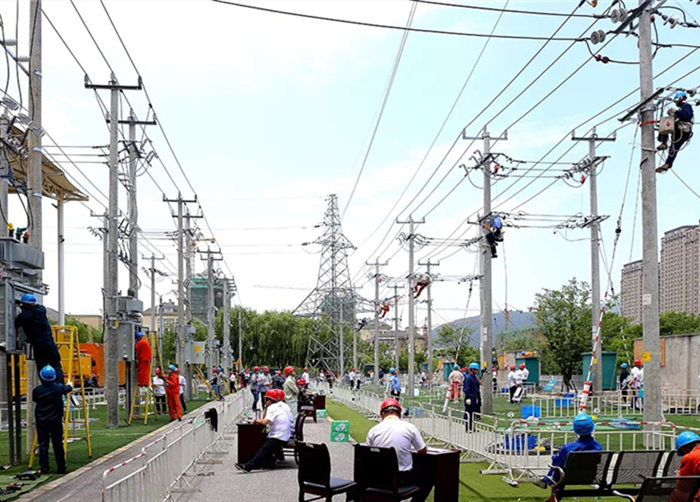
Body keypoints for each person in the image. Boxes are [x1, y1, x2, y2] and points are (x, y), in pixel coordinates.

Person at [366, 398, 433, 502]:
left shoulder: (373, 431)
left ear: (382, 414)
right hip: (402, 478)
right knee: (429, 478)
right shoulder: (410, 428)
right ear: (399, 414)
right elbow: (422, 451)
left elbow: (369, 453)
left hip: (379, 478)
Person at [535, 413, 602, 492]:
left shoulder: (569, 447)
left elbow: (557, 462)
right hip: (590, 477)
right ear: (592, 428)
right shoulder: (598, 447)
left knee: (557, 463)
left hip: (567, 477)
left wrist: (555, 457)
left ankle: (547, 480)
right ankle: (546, 480)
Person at [235, 389, 293, 473]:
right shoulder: (281, 406)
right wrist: (266, 408)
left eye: (266, 399)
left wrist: (255, 420)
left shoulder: (273, 408)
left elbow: (264, 421)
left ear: (270, 400)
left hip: (279, 436)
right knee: (263, 440)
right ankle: (268, 462)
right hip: (284, 433)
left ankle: (248, 467)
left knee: (264, 448)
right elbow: (265, 418)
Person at [15, 294, 64, 383]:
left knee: (42, 367)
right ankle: (60, 386)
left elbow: (17, 322)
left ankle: (46, 386)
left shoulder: (25, 316)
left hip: (39, 345)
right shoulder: (41, 309)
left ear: (26, 304)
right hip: (50, 343)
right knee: (56, 365)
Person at [33, 365, 72, 474]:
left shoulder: (37, 390)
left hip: (42, 420)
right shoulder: (59, 388)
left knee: (43, 445)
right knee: (58, 444)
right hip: (55, 420)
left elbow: (35, 400)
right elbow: (68, 388)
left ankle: (44, 468)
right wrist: (70, 384)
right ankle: (61, 467)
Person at [657, 91, 694, 173]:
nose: (676, 102)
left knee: (665, 123)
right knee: (673, 148)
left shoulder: (686, 106)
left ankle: (664, 143)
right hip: (680, 131)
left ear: (681, 98)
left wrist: (676, 112)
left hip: (683, 129)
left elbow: (686, 116)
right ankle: (667, 163)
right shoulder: (682, 107)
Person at [669, 431, 700, 502]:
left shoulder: (689, 457)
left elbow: (684, 486)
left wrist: (678, 477)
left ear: (684, 449)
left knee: (677, 494)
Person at [463, 363, 481, 432]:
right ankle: (468, 427)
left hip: (474, 397)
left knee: (473, 413)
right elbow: (466, 389)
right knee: (469, 413)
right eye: (476, 370)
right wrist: (469, 397)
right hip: (470, 398)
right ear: (472, 369)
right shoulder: (468, 378)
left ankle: (471, 427)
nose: (477, 371)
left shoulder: (474, 377)